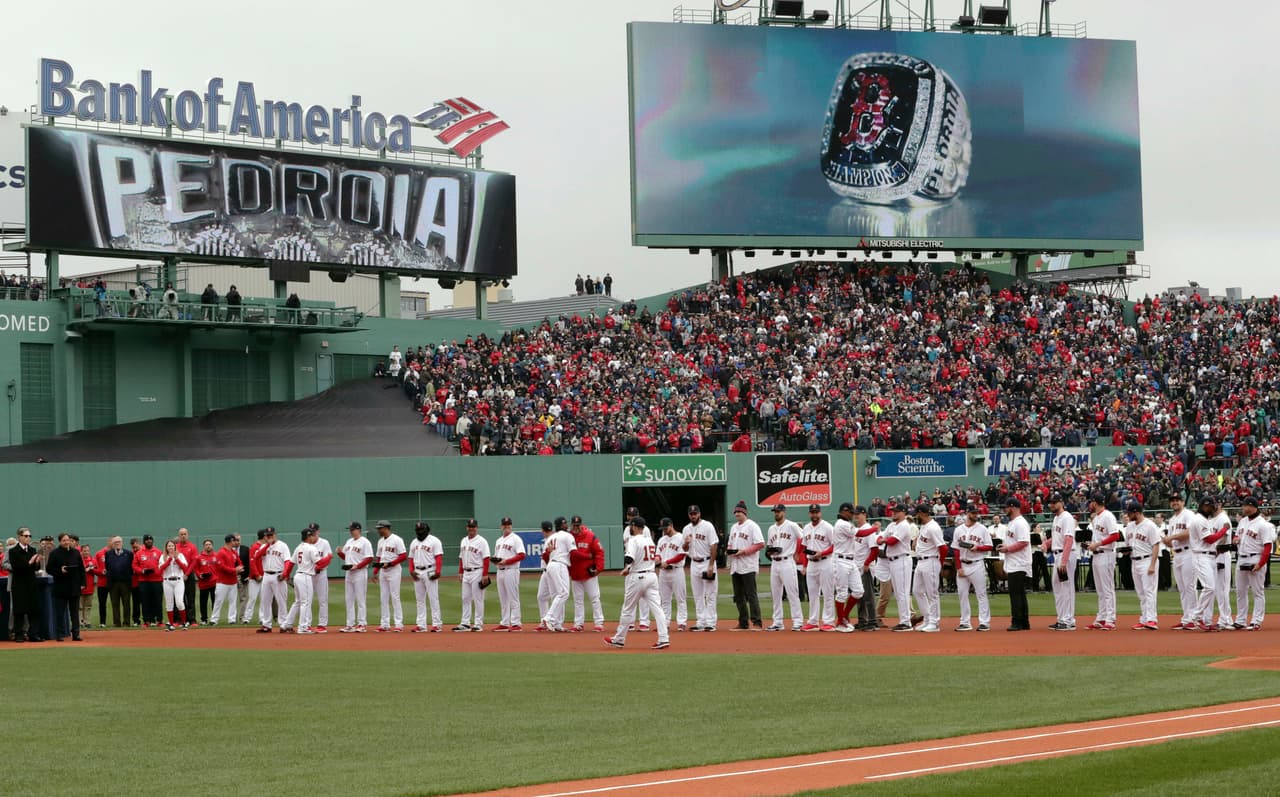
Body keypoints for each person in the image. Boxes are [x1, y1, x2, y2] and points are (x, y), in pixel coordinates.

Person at [605, 516, 670, 650]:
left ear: (634, 526)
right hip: (652, 576)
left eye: (630, 525)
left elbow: (629, 558)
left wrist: (627, 566)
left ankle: (619, 639)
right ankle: (664, 638)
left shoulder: (634, 540)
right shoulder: (650, 541)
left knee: (627, 609)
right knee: (657, 609)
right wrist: (628, 568)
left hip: (638, 578)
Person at [1233, 496, 1275, 630]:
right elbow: (1237, 535)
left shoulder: (1263, 525)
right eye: (1244, 505)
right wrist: (1235, 539)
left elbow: (1268, 546)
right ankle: (1240, 620)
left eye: (1247, 506)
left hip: (1255, 558)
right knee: (1240, 591)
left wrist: (1261, 563)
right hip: (1241, 558)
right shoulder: (1243, 521)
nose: (1245, 508)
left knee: (1257, 591)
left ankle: (1256, 621)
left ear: (1254, 507)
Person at [951, 503, 993, 632]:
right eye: (973, 513)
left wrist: (978, 548)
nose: (976, 515)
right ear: (967, 513)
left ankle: (984, 622)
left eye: (977, 513)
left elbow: (989, 546)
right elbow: (956, 550)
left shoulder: (982, 529)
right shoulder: (958, 529)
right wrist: (958, 568)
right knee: (962, 594)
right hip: (963, 564)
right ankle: (965, 622)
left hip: (977, 564)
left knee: (981, 594)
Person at [1191, 496, 1231, 631]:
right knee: (1209, 587)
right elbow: (1209, 539)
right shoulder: (1198, 520)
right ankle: (1196, 617)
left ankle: (1204, 620)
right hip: (1201, 556)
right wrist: (1224, 530)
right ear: (1204, 506)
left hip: (1209, 556)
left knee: (1211, 588)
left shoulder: (1204, 519)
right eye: (1211, 506)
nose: (1213, 508)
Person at [725, 501, 765, 631]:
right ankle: (743, 622)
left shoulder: (752, 526)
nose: (737, 514)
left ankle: (757, 622)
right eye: (735, 512)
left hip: (748, 565)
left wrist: (744, 551)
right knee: (738, 596)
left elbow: (760, 544)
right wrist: (729, 551)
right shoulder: (734, 527)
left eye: (739, 512)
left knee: (751, 595)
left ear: (744, 513)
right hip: (736, 566)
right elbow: (730, 544)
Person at [1162, 494, 1200, 630]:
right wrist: (1168, 541)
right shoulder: (1172, 519)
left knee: (1190, 586)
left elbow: (1190, 532)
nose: (1175, 503)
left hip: (1189, 552)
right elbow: (1174, 541)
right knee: (1182, 588)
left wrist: (1171, 537)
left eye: (1177, 500)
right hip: (1177, 554)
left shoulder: (1189, 514)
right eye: (1172, 501)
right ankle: (1186, 618)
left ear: (1183, 502)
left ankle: (1194, 619)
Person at [764, 504, 804, 631]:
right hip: (775, 563)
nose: (776, 513)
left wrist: (797, 552)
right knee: (776, 595)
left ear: (784, 512)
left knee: (792, 593)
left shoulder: (792, 525)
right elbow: (769, 547)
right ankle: (778, 622)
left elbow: (803, 539)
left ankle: (798, 621)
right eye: (775, 511)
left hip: (787, 561)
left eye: (778, 511)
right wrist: (770, 551)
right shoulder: (771, 529)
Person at [1085, 494, 1121, 631]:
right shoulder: (1097, 517)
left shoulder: (1108, 516)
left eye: (1091, 502)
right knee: (1100, 590)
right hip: (1097, 554)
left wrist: (1098, 543)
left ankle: (1110, 619)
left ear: (1095, 502)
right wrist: (1092, 544)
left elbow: (1115, 535)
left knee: (1107, 589)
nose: (1090, 504)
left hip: (1106, 554)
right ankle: (1101, 617)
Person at [1124, 501, 1161, 630]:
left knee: (1149, 591)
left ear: (1137, 512)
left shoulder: (1150, 526)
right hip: (1134, 560)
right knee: (1141, 593)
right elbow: (1129, 545)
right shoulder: (1129, 526)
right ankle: (1144, 618)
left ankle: (1152, 619)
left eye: (1129, 513)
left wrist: (1152, 564)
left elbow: (1156, 545)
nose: (1128, 515)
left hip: (1147, 560)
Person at [682, 504, 719, 631]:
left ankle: (711, 622)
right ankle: (701, 621)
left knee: (710, 593)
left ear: (699, 513)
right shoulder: (686, 529)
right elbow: (684, 549)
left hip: (706, 561)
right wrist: (686, 544)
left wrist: (711, 566)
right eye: (691, 514)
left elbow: (714, 546)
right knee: (697, 595)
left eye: (695, 513)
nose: (693, 515)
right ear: (688, 515)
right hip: (694, 563)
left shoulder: (707, 526)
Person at [829, 502, 865, 633]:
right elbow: (861, 534)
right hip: (840, 561)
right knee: (842, 593)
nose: (852, 515)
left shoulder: (845, 523)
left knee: (858, 591)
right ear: (844, 511)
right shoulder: (841, 524)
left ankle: (843, 617)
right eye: (851, 512)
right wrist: (875, 529)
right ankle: (840, 623)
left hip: (850, 560)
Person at [879, 505, 916, 631]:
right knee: (899, 593)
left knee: (903, 592)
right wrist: (883, 539)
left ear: (903, 512)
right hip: (892, 561)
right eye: (893, 511)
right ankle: (904, 620)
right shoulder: (891, 525)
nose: (893, 513)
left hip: (902, 559)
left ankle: (906, 622)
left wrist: (883, 540)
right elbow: (880, 537)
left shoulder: (904, 525)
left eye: (896, 512)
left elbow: (892, 541)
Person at [1045, 495, 1079, 631]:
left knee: (1066, 587)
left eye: (1054, 502)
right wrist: (1046, 543)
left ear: (1062, 502)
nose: (1052, 505)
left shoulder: (1067, 517)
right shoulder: (1056, 518)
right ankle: (1061, 618)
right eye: (1050, 502)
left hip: (1066, 555)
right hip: (1057, 554)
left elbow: (1069, 539)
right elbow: (1056, 538)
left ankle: (1069, 620)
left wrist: (1064, 561)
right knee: (1057, 586)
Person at [800, 504, 835, 631]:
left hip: (825, 562)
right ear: (809, 513)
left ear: (820, 513)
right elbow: (804, 548)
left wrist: (822, 553)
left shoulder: (827, 527)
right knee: (812, 594)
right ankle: (813, 621)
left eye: (816, 512)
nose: (814, 514)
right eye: (812, 512)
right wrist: (804, 565)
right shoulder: (806, 528)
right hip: (811, 564)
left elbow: (835, 545)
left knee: (827, 592)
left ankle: (829, 621)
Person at [568, 515, 606, 632]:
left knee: (594, 598)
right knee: (578, 600)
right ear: (571, 525)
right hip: (575, 574)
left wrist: (598, 568)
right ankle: (578, 623)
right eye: (574, 525)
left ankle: (599, 622)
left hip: (589, 573)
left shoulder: (590, 536)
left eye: (578, 525)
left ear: (581, 525)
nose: (576, 528)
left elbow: (599, 552)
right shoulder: (568, 537)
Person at [912, 504, 946, 633]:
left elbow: (943, 548)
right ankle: (927, 619)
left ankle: (934, 622)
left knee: (932, 594)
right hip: (921, 561)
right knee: (917, 591)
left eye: (917, 514)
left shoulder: (933, 527)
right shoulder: (924, 525)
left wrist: (940, 563)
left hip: (931, 560)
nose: (916, 516)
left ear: (922, 513)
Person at [1000, 498, 1032, 631]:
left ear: (1013, 507)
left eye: (1007, 507)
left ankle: (1017, 621)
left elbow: (1023, 542)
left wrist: (1007, 549)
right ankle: (1024, 621)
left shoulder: (1020, 523)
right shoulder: (1013, 522)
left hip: (1019, 563)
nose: (1005, 509)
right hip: (1015, 562)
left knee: (1016, 594)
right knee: (1019, 593)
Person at [281, 528, 321, 634]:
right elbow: (319, 563)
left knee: (298, 601)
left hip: (298, 576)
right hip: (305, 576)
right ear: (309, 536)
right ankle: (303, 627)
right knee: (305, 602)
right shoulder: (311, 548)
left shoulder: (298, 547)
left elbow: (290, 563)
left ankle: (287, 624)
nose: (314, 537)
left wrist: (286, 575)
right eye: (312, 535)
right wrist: (329, 557)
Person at [48, 532, 86, 641]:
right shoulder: (54, 553)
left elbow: (81, 570)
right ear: (60, 542)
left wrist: (83, 583)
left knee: (74, 613)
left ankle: (76, 634)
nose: (66, 542)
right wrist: (60, 570)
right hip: (60, 587)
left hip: (74, 587)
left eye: (67, 540)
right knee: (60, 612)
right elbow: (49, 569)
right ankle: (60, 634)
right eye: (64, 540)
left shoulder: (76, 553)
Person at [454, 519, 491, 631]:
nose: (471, 528)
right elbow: (461, 557)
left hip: (477, 571)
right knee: (465, 598)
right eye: (470, 526)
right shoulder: (464, 540)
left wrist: (485, 574)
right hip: (466, 572)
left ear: (477, 528)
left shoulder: (482, 541)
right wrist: (460, 571)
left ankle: (478, 624)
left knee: (478, 598)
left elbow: (486, 558)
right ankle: (465, 623)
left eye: (473, 526)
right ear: (467, 528)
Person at [338, 522, 375, 633]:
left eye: (352, 529)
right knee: (348, 599)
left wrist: (357, 566)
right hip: (349, 572)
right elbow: (347, 557)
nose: (350, 531)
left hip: (360, 572)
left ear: (358, 529)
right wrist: (340, 553)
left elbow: (369, 558)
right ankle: (350, 624)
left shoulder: (365, 542)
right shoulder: (349, 542)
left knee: (360, 599)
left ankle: (362, 624)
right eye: (350, 529)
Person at [409, 521, 444, 632]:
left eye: (421, 530)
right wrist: (411, 571)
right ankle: (421, 624)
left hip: (430, 570)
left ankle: (437, 624)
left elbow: (438, 557)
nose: (419, 532)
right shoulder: (414, 542)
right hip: (418, 571)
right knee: (419, 600)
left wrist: (438, 571)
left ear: (427, 530)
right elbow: (410, 558)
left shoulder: (434, 541)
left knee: (433, 598)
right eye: (418, 530)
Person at [540, 519, 575, 632]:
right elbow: (573, 553)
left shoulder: (551, 538)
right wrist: (589, 557)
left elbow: (545, 556)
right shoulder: (567, 536)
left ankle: (557, 624)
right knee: (564, 593)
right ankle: (548, 617)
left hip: (551, 565)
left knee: (557, 595)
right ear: (561, 526)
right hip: (560, 565)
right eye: (565, 524)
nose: (567, 525)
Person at [372, 520, 407, 632]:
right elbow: (379, 558)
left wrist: (391, 563)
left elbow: (403, 556)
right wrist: (375, 572)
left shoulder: (397, 539)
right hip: (383, 570)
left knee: (395, 596)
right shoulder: (380, 541)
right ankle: (385, 624)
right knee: (384, 597)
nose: (378, 530)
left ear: (386, 528)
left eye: (379, 528)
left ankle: (398, 624)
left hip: (394, 570)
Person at [490, 518, 524, 632]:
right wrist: (495, 560)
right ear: (501, 526)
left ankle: (516, 623)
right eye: (504, 525)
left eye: (508, 524)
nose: (506, 526)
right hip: (500, 571)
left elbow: (522, 555)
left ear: (511, 526)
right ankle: (504, 623)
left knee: (513, 597)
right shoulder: (499, 540)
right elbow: (497, 556)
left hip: (511, 570)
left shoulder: (516, 539)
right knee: (503, 598)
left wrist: (507, 561)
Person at [655, 517, 688, 632]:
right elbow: (658, 553)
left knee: (680, 598)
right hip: (663, 573)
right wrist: (658, 559)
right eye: (662, 528)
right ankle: (665, 623)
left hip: (676, 571)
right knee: (664, 599)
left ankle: (682, 623)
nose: (664, 530)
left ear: (671, 525)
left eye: (665, 527)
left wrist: (668, 562)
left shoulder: (680, 538)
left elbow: (681, 555)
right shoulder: (661, 540)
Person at [850, 506, 880, 631]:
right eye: (855, 514)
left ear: (864, 515)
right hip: (856, 566)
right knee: (859, 596)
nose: (856, 516)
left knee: (868, 595)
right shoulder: (858, 530)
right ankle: (862, 620)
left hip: (865, 566)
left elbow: (874, 550)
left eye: (858, 514)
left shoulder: (868, 529)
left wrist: (867, 563)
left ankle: (872, 621)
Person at [255, 528, 291, 632]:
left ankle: (284, 624)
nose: (270, 537)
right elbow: (256, 556)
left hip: (278, 575)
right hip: (266, 575)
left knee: (281, 601)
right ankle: (266, 625)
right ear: (265, 536)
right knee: (265, 601)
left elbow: (287, 561)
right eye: (268, 535)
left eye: (271, 535)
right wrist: (267, 545)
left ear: (275, 534)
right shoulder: (263, 546)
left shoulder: (283, 546)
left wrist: (285, 574)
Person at [157, 540, 189, 631]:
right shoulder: (163, 557)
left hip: (178, 580)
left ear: (175, 547)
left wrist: (176, 559)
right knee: (169, 603)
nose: (170, 547)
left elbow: (185, 568)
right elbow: (160, 569)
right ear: (166, 548)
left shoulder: (180, 556)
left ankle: (184, 623)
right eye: (169, 546)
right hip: (167, 581)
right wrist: (169, 559)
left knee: (179, 602)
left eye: (172, 546)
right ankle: (171, 624)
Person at [210, 535, 242, 625]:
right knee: (219, 601)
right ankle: (214, 619)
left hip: (233, 582)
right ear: (230, 541)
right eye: (234, 541)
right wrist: (235, 570)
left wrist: (240, 567)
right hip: (222, 582)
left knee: (233, 601)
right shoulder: (221, 552)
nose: (235, 542)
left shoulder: (233, 552)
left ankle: (232, 619)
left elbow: (239, 562)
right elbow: (221, 567)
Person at [132, 534, 163, 627]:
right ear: (144, 542)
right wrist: (142, 571)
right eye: (147, 540)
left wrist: (156, 571)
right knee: (145, 601)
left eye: (150, 540)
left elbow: (162, 564)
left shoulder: (158, 552)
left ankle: (159, 620)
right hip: (144, 580)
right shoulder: (139, 553)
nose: (149, 541)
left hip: (156, 580)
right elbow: (134, 565)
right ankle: (146, 621)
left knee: (157, 601)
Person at [307, 523, 333, 632]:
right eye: (311, 531)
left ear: (318, 531)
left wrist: (319, 567)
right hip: (309, 574)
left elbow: (328, 558)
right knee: (307, 600)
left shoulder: (324, 543)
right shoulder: (307, 544)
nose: (313, 533)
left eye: (314, 531)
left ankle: (322, 625)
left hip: (321, 574)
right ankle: (307, 624)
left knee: (323, 600)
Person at [103, 535, 133, 628]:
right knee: (115, 603)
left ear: (122, 543)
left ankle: (126, 622)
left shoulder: (129, 553)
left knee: (126, 603)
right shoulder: (108, 554)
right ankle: (117, 623)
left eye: (119, 542)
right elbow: (108, 567)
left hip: (125, 583)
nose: (118, 544)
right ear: (113, 544)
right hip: (113, 583)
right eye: (116, 542)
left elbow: (131, 568)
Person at [175, 528, 199, 626]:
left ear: (187, 535)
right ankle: (180, 619)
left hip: (189, 576)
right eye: (181, 534)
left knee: (190, 598)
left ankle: (192, 620)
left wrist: (187, 574)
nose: (183, 536)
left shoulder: (192, 547)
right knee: (179, 599)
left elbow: (193, 562)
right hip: (178, 576)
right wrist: (181, 575)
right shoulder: (175, 547)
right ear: (179, 536)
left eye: (185, 534)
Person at [239, 531, 262, 625]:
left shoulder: (267, 547)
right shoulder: (255, 547)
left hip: (264, 577)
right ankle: (247, 618)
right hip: (254, 578)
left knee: (264, 600)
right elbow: (251, 563)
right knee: (252, 598)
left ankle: (262, 618)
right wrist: (256, 575)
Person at [193, 539, 217, 624]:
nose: (208, 546)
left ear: (212, 545)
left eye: (210, 544)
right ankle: (204, 619)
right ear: (204, 546)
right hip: (203, 583)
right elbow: (195, 568)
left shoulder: (216, 556)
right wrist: (200, 575)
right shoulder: (199, 557)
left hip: (214, 582)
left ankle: (214, 619)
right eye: (206, 544)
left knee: (215, 601)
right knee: (203, 602)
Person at [79, 543, 96, 629]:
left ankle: (87, 621)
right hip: (81, 587)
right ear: (81, 551)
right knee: (80, 606)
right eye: (84, 551)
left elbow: (96, 570)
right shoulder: (79, 560)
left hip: (90, 586)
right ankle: (80, 621)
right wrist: (86, 569)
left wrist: (92, 568)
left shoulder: (92, 560)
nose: (86, 552)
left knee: (88, 606)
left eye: (87, 551)